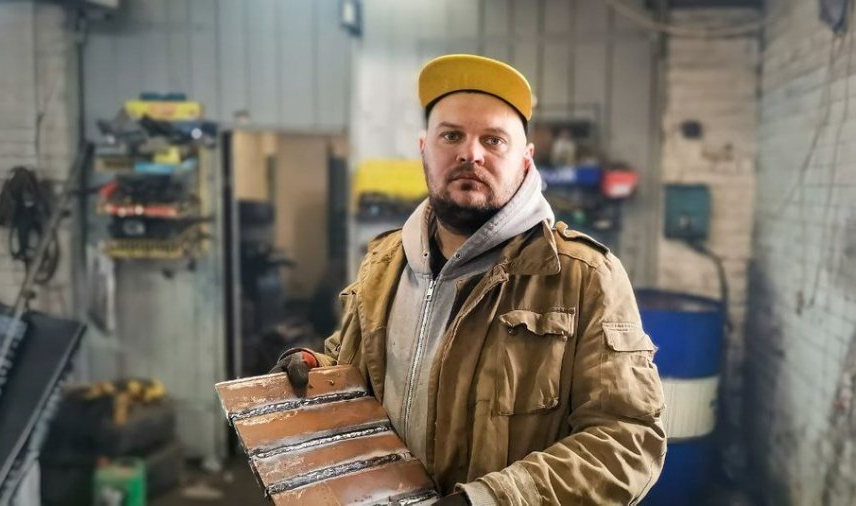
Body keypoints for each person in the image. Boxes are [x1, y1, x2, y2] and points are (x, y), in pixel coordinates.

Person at [271, 54, 666, 505]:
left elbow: (627, 438)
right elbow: (363, 369)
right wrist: (317, 370)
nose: (470, 153)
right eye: (451, 135)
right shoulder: (383, 262)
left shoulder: (583, 277)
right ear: (424, 148)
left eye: (493, 140)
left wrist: (488, 500)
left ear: (525, 160)